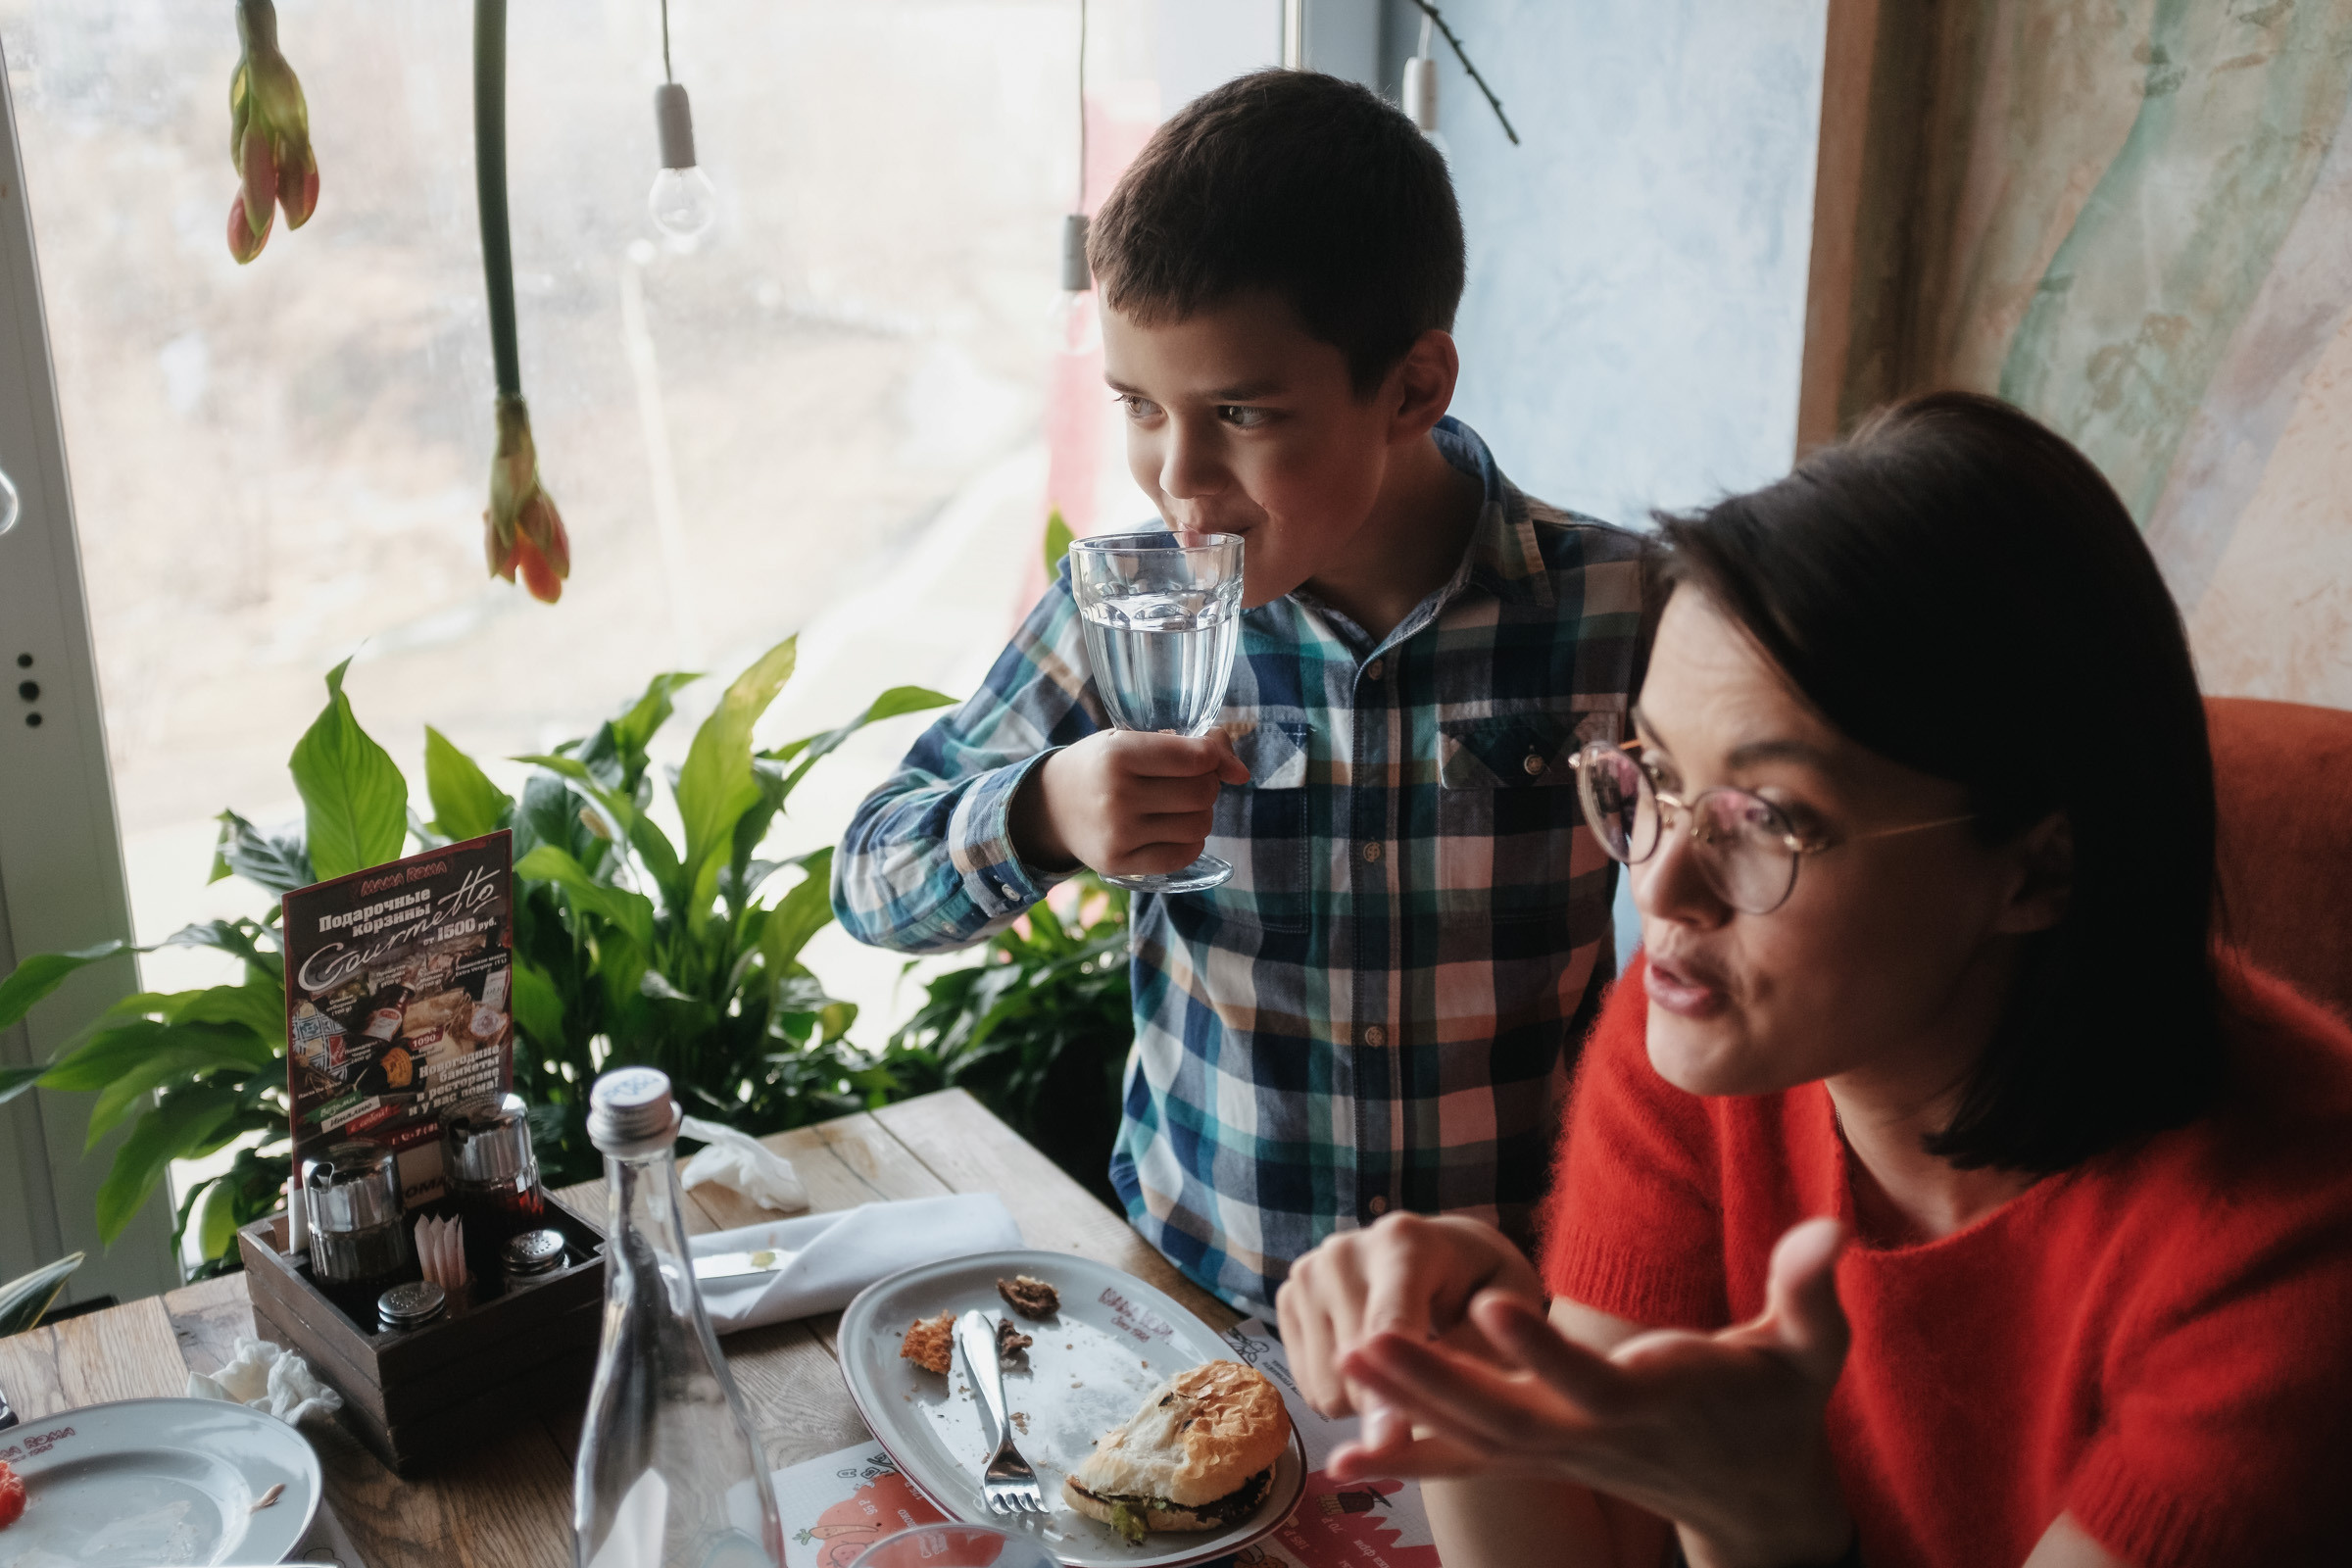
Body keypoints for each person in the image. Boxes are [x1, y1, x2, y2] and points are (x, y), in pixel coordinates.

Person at [1274, 393, 2352, 1567]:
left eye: (1768, 818)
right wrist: (1463, 1371)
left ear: (2040, 868)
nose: (1661, 886)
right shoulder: (1695, 1023)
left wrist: (1767, 1526)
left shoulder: (2285, 1254)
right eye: (1653, 777)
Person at [833, 71, 1646, 1316]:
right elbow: (872, 880)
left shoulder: (1620, 613)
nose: (1179, 477)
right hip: (1202, 1289)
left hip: (1516, 1317)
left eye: (1243, 413)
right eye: (1140, 408)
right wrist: (1045, 810)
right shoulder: (1122, 607)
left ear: (1416, 389)